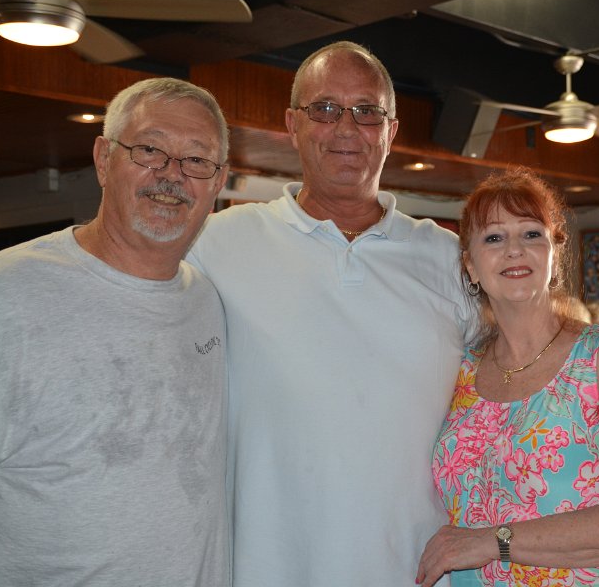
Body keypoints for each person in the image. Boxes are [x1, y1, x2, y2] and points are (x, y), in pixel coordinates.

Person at [186, 41, 476, 586]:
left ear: (391, 130)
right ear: (292, 124)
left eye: (367, 111)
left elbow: (516, 384)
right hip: (267, 568)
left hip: (417, 569)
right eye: (324, 109)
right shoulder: (216, 243)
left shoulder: (449, 258)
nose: (346, 127)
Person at [0, 77, 231, 585]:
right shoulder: (7, 296)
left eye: (197, 160)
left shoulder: (207, 301)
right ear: (104, 160)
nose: (171, 174)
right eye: (149, 150)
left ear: (218, 183)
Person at [416, 167, 599, 587]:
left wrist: (492, 542)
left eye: (531, 234)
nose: (514, 250)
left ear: (554, 253)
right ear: (470, 265)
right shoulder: (460, 369)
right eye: (493, 238)